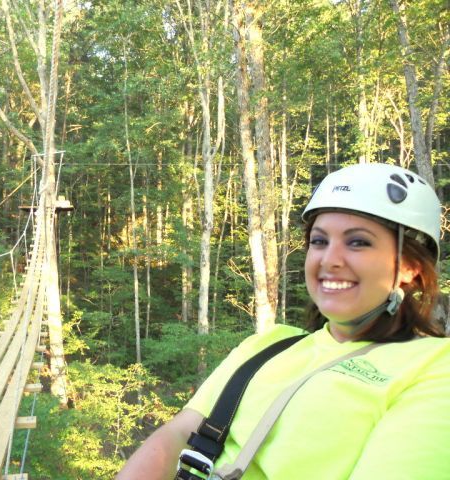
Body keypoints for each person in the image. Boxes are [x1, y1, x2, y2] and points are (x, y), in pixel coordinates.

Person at [116, 163, 450, 480]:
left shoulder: (434, 365)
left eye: (357, 242)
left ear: (409, 267)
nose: (329, 260)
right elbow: (177, 435)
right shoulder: (270, 344)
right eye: (319, 241)